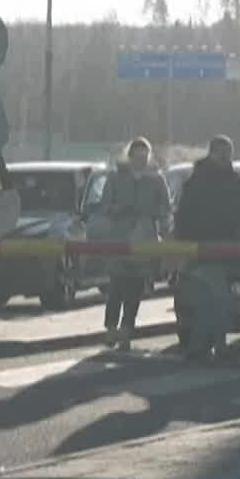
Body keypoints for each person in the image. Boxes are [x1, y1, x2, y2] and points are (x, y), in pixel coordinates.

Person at [172, 136, 240, 362]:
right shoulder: (204, 182)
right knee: (219, 298)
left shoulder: (226, 181)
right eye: (222, 153)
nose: (225, 157)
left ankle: (206, 346)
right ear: (211, 154)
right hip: (205, 248)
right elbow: (185, 215)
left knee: (210, 300)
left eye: (228, 153)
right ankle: (209, 347)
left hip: (224, 249)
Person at [92, 137, 171, 351]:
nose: (140, 161)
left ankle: (127, 330)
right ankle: (111, 328)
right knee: (116, 286)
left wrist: (159, 218)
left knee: (134, 289)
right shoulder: (116, 179)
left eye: (144, 157)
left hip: (144, 238)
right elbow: (104, 206)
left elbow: (166, 207)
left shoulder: (156, 180)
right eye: (136, 156)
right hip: (119, 237)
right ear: (129, 156)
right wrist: (117, 209)